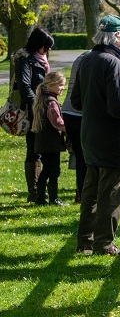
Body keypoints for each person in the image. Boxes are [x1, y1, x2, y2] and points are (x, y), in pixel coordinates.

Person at [72, 15, 120, 257]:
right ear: (118, 36)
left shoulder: (87, 59)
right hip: (113, 140)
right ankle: (104, 244)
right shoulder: (113, 63)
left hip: (90, 136)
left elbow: (77, 101)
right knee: (111, 195)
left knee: (90, 194)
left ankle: (85, 241)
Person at [13, 27, 54, 202]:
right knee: (34, 150)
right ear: (39, 45)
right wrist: (37, 105)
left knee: (43, 149)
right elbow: (24, 87)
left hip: (44, 108)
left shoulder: (41, 60)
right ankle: (34, 191)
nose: (48, 50)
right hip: (32, 111)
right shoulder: (25, 61)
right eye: (47, 46)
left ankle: (40, 191)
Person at [31, 71, 67, 206]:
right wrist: (69, 128)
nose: (62, 88)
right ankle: (53, 198)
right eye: (60, 85)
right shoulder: (51, 102)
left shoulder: (42, 98)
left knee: (46, 170)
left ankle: (40, 198)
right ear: (51, 85)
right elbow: (57, 122)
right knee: (54, 171)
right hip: (51, 143)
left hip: (43, 141)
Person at [61, 50, 91, 204]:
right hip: (78, 112)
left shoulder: (83, 56)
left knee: (80, 157)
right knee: (85, 157)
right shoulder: (93, 59)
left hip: (69, 111)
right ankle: (84, 194)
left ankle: (81, 193)